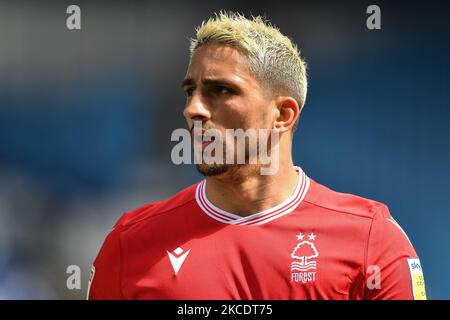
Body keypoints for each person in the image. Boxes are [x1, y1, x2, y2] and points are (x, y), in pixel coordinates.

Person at [88, 12, 426, 300]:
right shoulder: (130, 242)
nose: (193, 109)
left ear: (282, 115)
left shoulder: (371, 241)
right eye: (190, 92)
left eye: (221, 90)